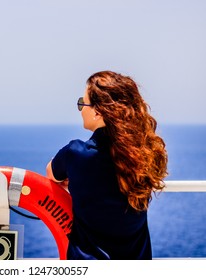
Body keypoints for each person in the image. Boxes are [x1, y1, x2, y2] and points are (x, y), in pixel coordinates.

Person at [46, 70, 168, 260]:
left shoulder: (76, 154)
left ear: (97, 111)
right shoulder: (144, 156)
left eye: (82, 103)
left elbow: (51, 173)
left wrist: (74, 179)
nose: (80, 109)